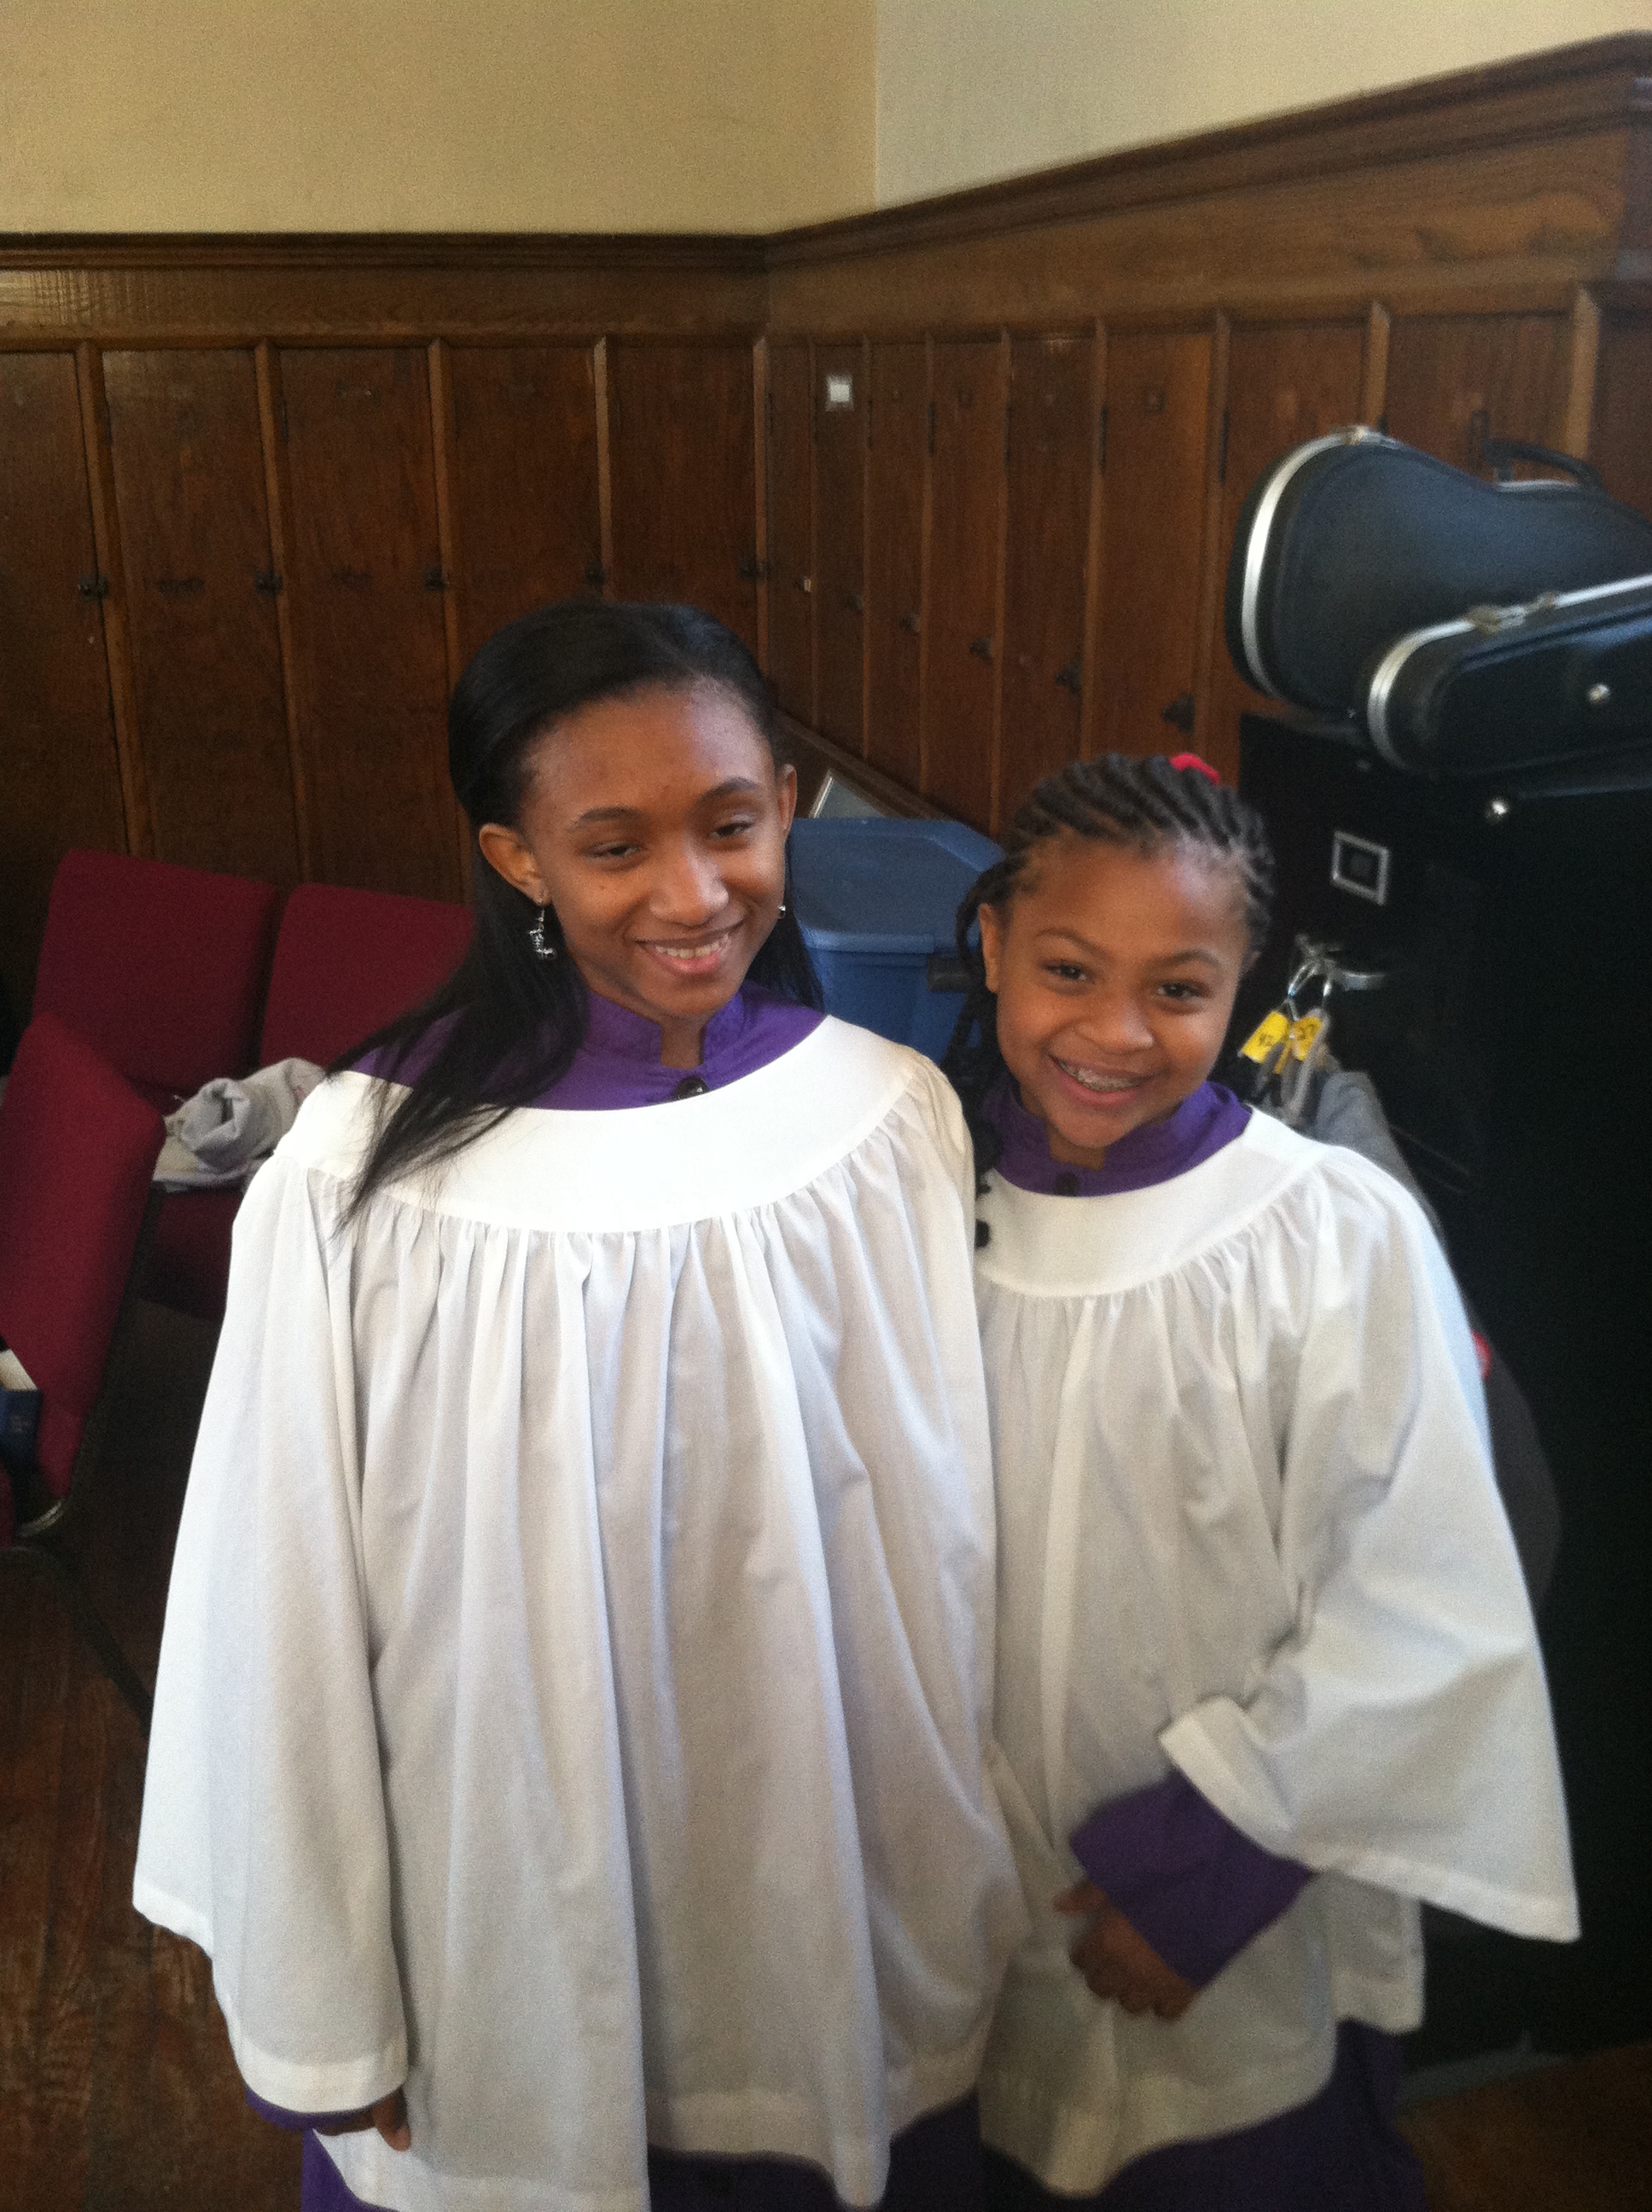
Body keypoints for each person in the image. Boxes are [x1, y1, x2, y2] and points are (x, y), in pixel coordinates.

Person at [134, 601, 1025, 2212]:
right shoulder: (359, 1182)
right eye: (615, 845)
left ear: (787, 811)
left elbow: (956, 1541)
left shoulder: (883, 1126)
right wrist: (329, 1994)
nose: (696, 894)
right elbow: (277, 1613)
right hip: (501, 1901)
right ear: (519, 858)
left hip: (823, 1877)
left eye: (735, 826)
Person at [941, 753, 1578, 2210]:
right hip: (975, 1916)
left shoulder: (1326, 1237)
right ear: (993, 950)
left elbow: (1421, 1595)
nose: (1113, 1031)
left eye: (1178, 988)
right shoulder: (925, 1209)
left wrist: (1219, 1860)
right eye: (1067, 970)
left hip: (1219, 1917)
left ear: (1246, 985)